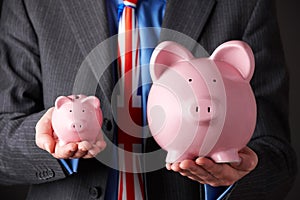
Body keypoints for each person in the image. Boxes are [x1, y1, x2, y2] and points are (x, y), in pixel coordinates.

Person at [0, 0, 297, 199]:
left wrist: (232, 176)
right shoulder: (30, 4)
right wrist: (49, 139)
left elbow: (278, 161)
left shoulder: (244, 5)